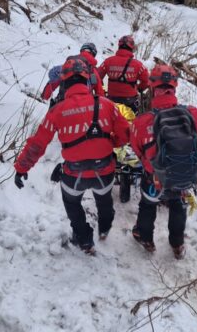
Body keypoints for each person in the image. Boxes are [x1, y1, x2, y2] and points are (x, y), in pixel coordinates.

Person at [14, 56, 130, 254]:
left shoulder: (57, 111)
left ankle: (84, 240)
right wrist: (110, 142)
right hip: (104, 172)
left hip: (74, 175)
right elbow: (125, 134)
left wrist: (22, 167)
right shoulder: (107, 105)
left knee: (72, 203)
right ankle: (104, 228)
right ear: (86, 79)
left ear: (65, 81)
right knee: (104, 200)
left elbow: (38, 143)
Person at [129, 65, 197, 260]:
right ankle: (177, 243)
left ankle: (145, 238)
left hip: (155, 179)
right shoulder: (193, 114)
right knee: (178, 205)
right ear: (175, 86)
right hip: (183, 175)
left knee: (148, 205)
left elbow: (138, 151)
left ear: (152, 87)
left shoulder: (142, 122)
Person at [98, 35, 149, 113]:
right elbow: (146, 81)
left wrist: (102, 91)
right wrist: (139, 88)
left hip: (111, 102)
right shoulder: (138, 65)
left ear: (119, 46)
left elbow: (97, 77)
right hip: (131, 103)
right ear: (131, 48)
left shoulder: (108, 61)